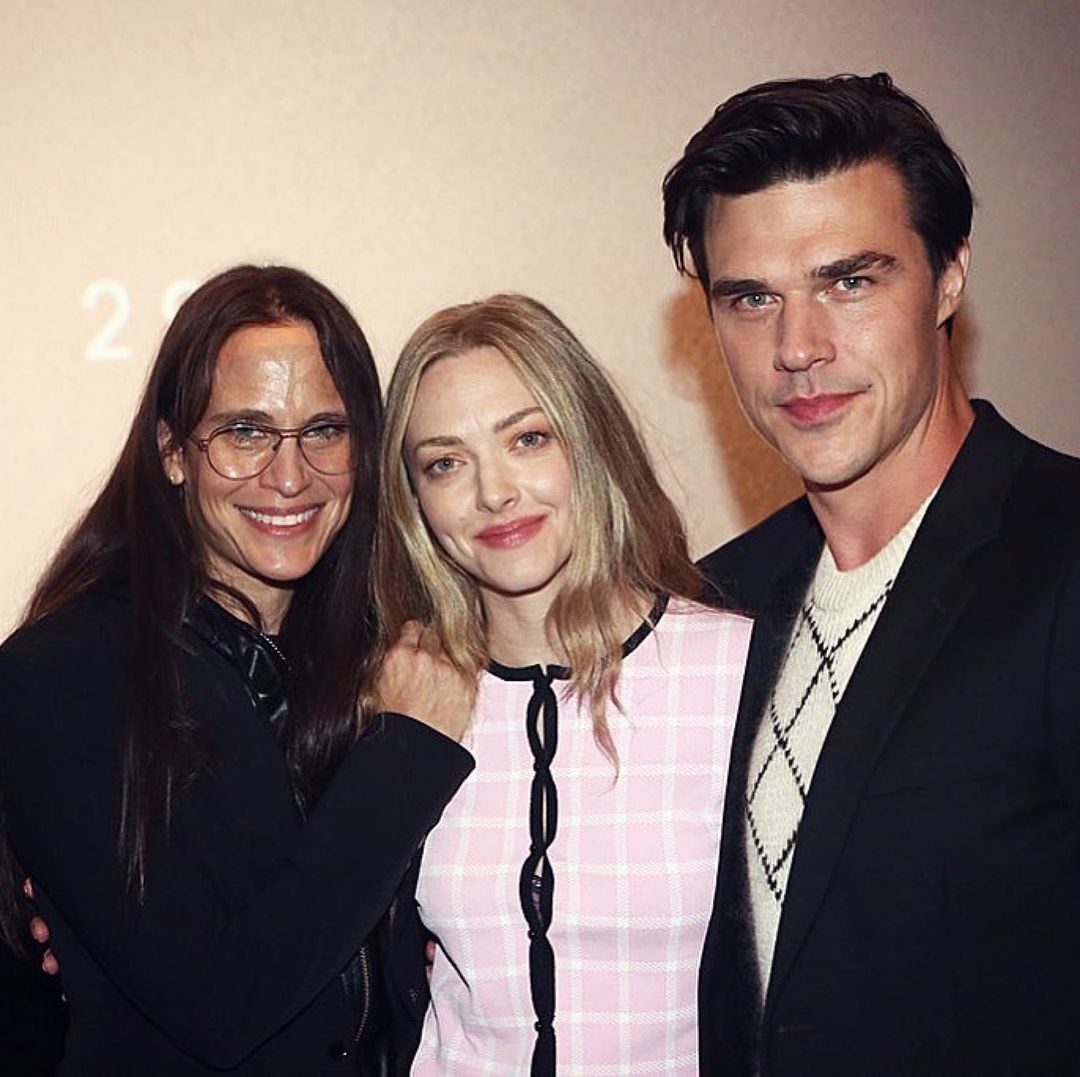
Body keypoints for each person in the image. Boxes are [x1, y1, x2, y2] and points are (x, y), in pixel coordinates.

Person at [662, 72, 1080, 1074]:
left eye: (849, 282)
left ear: (949, 276)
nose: (798, 349)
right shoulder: (710, 605)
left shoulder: (1062, 553)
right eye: (752, 298)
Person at [0, 264, 475, 1074]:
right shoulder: (60, 678)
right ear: (173, 452)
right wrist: (402, 758)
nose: (289, 476)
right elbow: (218, 1000)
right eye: (246, 432)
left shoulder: (387, 659)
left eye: (324, 430)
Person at [374, 293, 752, 1073]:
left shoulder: (740, 671)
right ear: (414, 503)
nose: (494, 492)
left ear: (590, 441)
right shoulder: (402, 702)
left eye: (528, 438)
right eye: (445, 462)